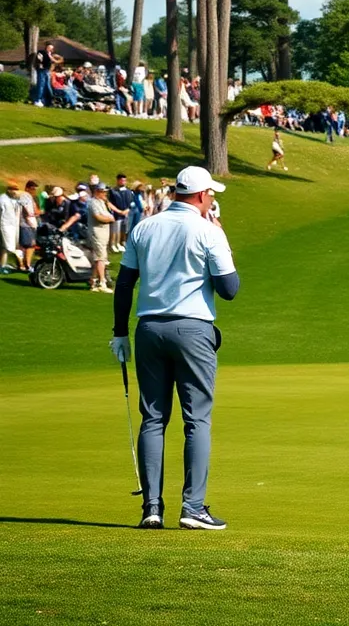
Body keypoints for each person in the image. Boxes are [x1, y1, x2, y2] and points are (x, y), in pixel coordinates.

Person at [110, 166, 240, 530]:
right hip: (193, 329)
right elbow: (229, 290)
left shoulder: (144, 226)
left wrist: (120, 332)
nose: (212, 199)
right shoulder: (208, 231)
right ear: (201, 196)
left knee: (153, 417)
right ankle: (193, 508)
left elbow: (124, 284)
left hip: (148, 328)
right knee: (196, 419)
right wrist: (222, 240)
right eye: (211, 194)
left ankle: (151, 508)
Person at [87, 184, 116, 292]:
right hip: (97, 232)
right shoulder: (93, 202)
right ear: (97, 191)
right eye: (103, 192)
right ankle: (102, 282)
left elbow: (110, 215)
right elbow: (98, 217)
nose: (105, 194)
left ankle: (93, 280)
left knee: (99, 257)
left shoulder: (101, 202)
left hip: (104, 232)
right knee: (101, 257)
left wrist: (109, 216)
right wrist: (109, 219)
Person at [18, 179, 41, 272]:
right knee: (30, 245)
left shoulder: (31, 198)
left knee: (27, 245)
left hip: (29, 224)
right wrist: (35, 213)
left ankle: (24, 264)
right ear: (27, 188)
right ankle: (27, 265)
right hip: (26, 224)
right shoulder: (24, 196)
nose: (34, 190)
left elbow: (36, 210)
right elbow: (28, 212)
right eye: (32, 188)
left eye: (35, 189)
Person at [108, 174, 134, 253]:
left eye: (124, 180)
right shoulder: (113, 191)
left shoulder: (129, 191)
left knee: (124, 229)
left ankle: (121, 242)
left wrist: (128, 209)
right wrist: (117, 211)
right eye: (122, 180)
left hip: (126, 213)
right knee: (115, 229)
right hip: (116, 213)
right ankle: (113, 244)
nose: (123, 182)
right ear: (118, 180)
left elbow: (132, 203)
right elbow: (110, 202)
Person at [0, 181, 21, 273]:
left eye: (16, 189)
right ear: (8, 190)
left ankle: (2, 265)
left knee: (4, 247)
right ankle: (21, 265)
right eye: (13, 189)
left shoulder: (15, 200)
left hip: (14, 226)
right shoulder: (2, 199)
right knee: (10, 247)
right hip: (5, 225)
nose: (15, 191)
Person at [32, 41, 54, 106]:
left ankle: (43, 100)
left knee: (46, 86)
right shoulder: (41, 52)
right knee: (40, 85)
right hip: (42, 70)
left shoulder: (50, 55)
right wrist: (48, 56)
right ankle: (37, 100)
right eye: (50, 48)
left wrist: (49, 56)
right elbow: (40, 60)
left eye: (52, 49)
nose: (51, 50)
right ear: (47, 47)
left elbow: (52, 62)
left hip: (47, 71)